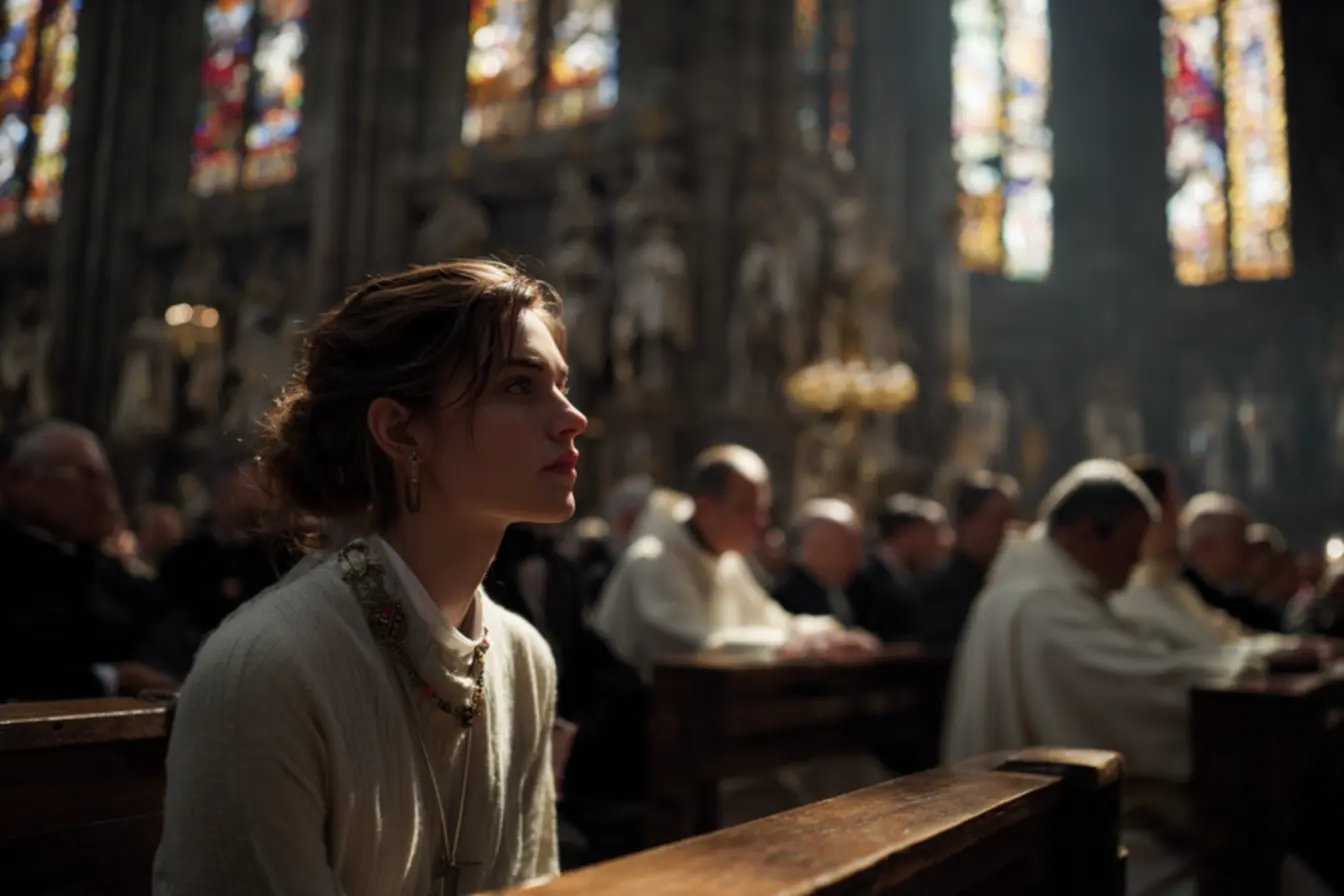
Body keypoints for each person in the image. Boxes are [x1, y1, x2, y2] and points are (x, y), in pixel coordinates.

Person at [154, 261, 585, 895]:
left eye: (561, 384)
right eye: (520, 387)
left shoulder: (523, 659)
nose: (571, 417)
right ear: (401, 429)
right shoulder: (267, 670)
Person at [942, 460, 1268, 896]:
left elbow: (1133, 661)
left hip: (1041, 824)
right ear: (1087, 532)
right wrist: (1240, 668)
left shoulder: (1046, 590)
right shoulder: (1040, 605)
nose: (1136, 560)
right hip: (1038, 849)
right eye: (1132, 542)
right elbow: (1134, 691)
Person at [592, 444, 877, 681]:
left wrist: (828, 632)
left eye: (762, 509)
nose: (761, 523)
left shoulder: (727, 559)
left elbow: (772, 621)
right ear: (705, 507)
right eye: (746, 509)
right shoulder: (653, 559)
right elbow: (695, 647)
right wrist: (792, 647)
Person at [0, 420, 178, 701]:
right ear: (17, 478)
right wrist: (112, 678)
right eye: (84, 476)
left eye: (107, 480)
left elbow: (168, 623)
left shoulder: (100, 568)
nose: (105, 497)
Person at [919, 471, 1018, 645]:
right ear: (968, 522)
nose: (1008, 531)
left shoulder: (1004, 579)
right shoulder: (943, 590)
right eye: (999, 520)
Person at [850, 494, 947, 642]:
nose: (938, 544)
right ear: (906, 535)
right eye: (930, 535)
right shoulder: (865, 577)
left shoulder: (912, 576)